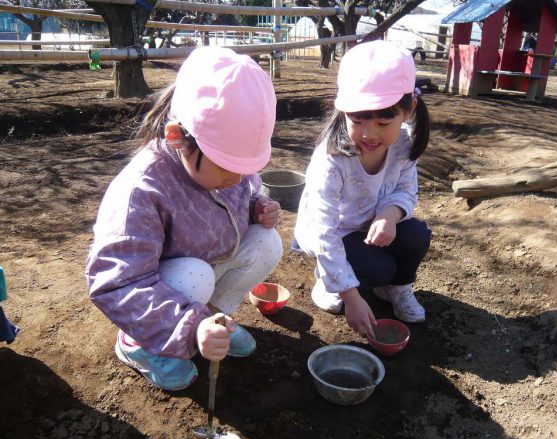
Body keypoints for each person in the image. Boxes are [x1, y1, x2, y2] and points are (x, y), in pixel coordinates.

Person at [85, 47, 283, 391]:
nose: (239, 179)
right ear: (178, 137)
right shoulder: (141, 190)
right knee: (195, 275)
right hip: (166, 286)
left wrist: (257, 207)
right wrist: (189, 327)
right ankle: (140, 345)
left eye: (247, 167)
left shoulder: (225, 168)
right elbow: (119, 282)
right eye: (228, 167)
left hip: (206, 264)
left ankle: (215, 321)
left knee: (267, 241)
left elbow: (243, 190)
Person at [294, 40, 432, 338]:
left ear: (409, 109)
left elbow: (407, 190)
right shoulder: (331, 159)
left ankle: (396, 289)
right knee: (377, 269)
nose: (369, 134)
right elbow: (323, 230)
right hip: (337, 232)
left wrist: (390, 214)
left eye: (383, 122)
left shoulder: (404, 144)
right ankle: (329, 279)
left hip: (371, 225)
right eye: (357, 121)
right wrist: (350, 296)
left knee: (416, 235)